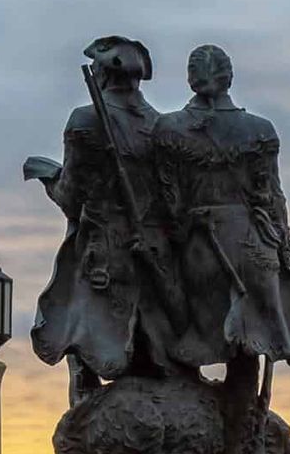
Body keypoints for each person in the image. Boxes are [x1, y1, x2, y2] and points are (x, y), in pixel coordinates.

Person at [153, 44, 290, 454]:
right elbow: (271, 196)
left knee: (190, 342)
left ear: (191, 79)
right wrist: (282, 250)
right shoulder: (259, 130)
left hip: (200, 245)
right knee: (247, 353)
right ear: (229, 78)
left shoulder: (170, 130)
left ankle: (207, 452)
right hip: (252, 244)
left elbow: (168, 203)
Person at [26, 35, 184, 406]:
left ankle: (88, 436)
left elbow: (72, 196)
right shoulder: (163, 127)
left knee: (82, 347)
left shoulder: (85, 120)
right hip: (155, 254)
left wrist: (48, 177)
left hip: (102, 252)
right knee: (150, 350)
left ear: (102, 73)